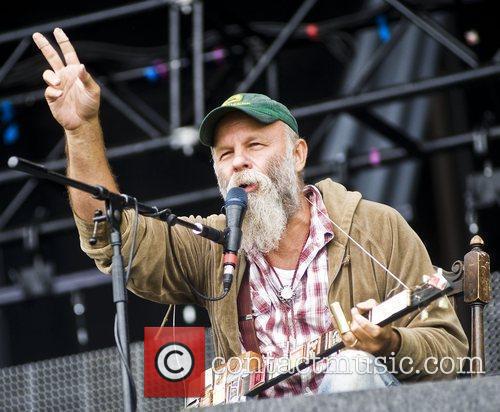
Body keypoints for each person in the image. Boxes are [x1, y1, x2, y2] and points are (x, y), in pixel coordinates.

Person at [32, 28, 468, 397]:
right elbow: (111, 236)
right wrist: (81, 129)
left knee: (351, 367)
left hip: (361, 396)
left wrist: (389, 342)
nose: (238, 161)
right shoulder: (211, 245)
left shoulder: (376, 226)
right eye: (225, 154)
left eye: (254, 146)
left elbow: (451, 356)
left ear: (298, 155)